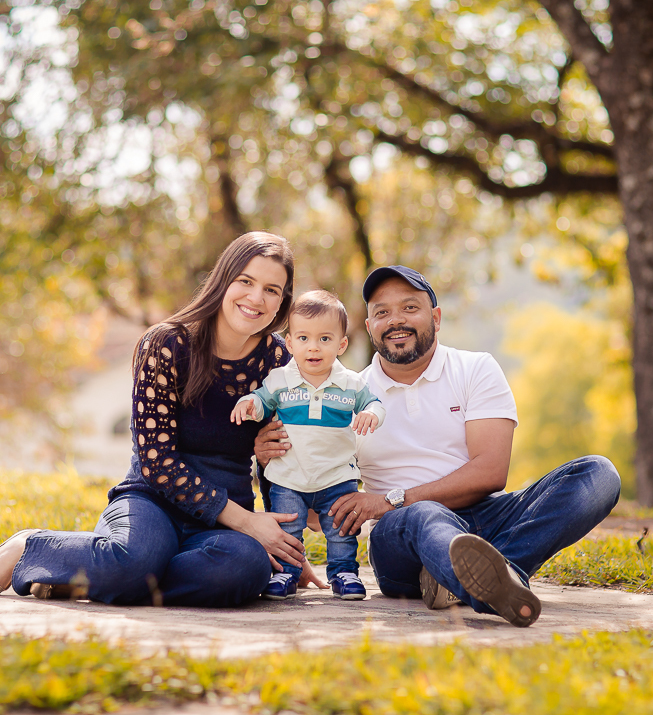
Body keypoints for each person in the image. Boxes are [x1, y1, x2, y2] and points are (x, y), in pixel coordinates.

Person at [255, 265, 622, 627]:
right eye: (382, 313)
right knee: (423, 513)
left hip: (485, 516)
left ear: (436, 316)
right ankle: (485, 580)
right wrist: (270, 455)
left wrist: (386, 498)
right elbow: (314, 495)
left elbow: (491, 472)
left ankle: (473, 577)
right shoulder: (347, 393)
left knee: (597, 474)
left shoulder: (475, 369)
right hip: (399, 537)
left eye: (410, 308)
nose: (396, 320)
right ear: (369, 328)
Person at [0, 231, 316, 607]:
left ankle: (106, 578)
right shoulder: (166, 344)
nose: (255, 298)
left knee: (244, 567)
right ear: (223, 279)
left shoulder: (280, 362)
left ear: (282, 302)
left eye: (271, 290)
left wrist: (286, 545)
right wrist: (249, 523)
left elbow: (279, 455)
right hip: (152, 501)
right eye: (245, 281)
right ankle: (32, 548)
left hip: (224, 520)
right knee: (133, 558)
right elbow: (156, 462)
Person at [231, 290, 386, 602]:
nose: (313, 347)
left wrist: (371, 414)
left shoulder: (351, 384)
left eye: (325, 339)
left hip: (336, 477)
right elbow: (262, 401)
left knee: (341, 529)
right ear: (290, 343)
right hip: (289, 476)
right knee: (288, 527)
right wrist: (250, 403)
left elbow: (375, 403)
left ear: (342, 344)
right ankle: (286, 572)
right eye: (303, 338)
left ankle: (344, 572)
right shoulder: (280, 380)